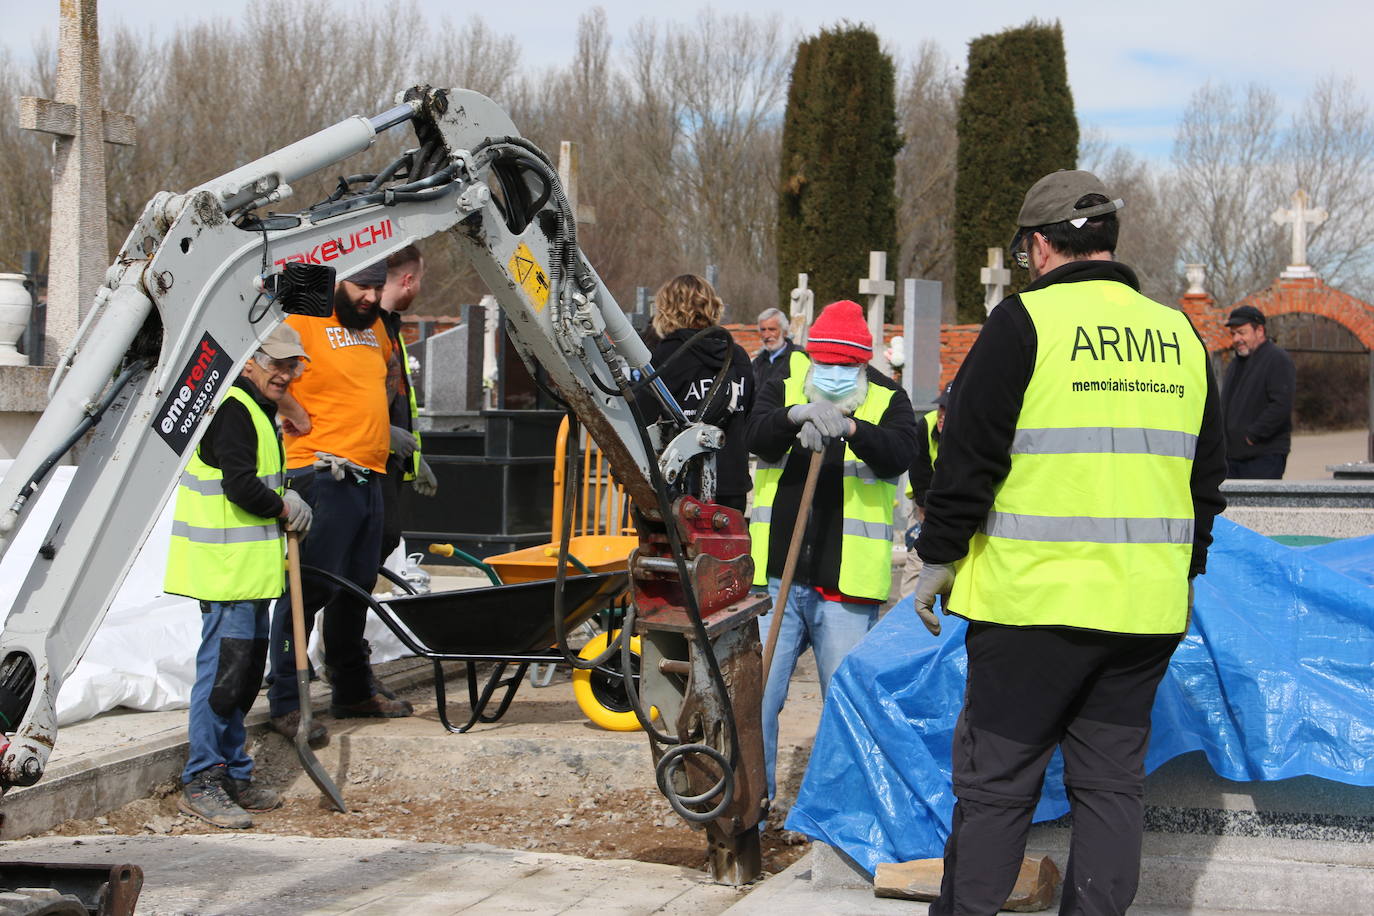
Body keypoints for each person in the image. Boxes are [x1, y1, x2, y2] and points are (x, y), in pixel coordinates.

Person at [912, 169, 1227, 915]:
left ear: (1042, 247)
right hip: (1144, 613)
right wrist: (1186, 571)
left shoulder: (1025, 324)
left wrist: (937, 556)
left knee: (996, 788)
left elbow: (970, 458)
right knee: (1112, 786)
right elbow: (1206, 479)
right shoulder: (1179, 335)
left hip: (1032, 606)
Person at [745, 299, 918, 802]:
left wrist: (854, 429)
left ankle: (837, 818)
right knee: (755, 700)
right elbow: (753, 435)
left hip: (845, 586)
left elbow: (900, 454)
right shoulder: (785, 382)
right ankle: (752, 805)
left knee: (847, 707)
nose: (834, 374)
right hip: (777, 577)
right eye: (826, 364)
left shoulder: (888, 399)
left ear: (863, 363)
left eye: (845, 367)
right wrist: (792, 416)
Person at [164, 323, 313, 828]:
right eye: (278, 363)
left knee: (243, 680)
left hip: (249, 575)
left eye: (294, 365)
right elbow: (240, 486)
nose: (287, 373)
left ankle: (234, 773)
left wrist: (284, 500)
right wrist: (283, 505)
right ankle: (203, 778)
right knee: (222, 681)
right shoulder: (232, 409)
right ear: (248, 361)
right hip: (225, 576)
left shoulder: (256, 409)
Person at [267, 261, 414, 744]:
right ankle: (288, 700)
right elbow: (252, 364)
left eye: (377, 287)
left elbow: (382, 380)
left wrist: (385, 433)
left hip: (369, 471)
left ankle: (351, 687)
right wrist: (290, 408)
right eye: (361, 287)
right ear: (337, 281)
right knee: (307, 590)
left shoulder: (373, 326)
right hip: (321, 471)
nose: (371, 297)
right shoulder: (302, 314)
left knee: (356, 587)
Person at [636, 274, 755, 513]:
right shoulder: (736, 355)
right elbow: (749, 411)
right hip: (732, 484)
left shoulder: (669, 354)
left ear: (667, 309)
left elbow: (641, 417)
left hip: (681, 486)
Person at [378, 244, 439, 564]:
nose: (419, 287)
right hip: (370, 458)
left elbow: (400, 402)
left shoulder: (390, 327)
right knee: (378, 538)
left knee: (384, 539)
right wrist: (382, 431)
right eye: (420, 279)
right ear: (408, 280)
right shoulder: (369, 326)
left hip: (391, 458)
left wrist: (415, 459)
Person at [1221, 304, 1295, 479]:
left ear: (1260, 331)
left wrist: (1253, 436)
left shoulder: (1277, 359)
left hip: (1264, 456)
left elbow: (1281, 405)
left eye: (1241, 332)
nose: (1236, 339)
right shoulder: (1236, 363)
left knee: (1259, 506)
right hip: (1232, 458)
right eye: (1233, 334)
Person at [899, 381, 951, 597]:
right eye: (941, 408)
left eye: (949, 410)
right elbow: (919, 473)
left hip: (954, 503)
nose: (942, 415)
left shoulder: (972, 430)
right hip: (925, 502)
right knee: (917, 558)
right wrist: (926, 511)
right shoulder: (926, 425)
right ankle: (905, 614)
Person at [751, 307, 800, 392]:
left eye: (772, 329)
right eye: (763, 330)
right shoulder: (757, 363)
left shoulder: (797, 358)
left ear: (784, 332)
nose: (766, 335)